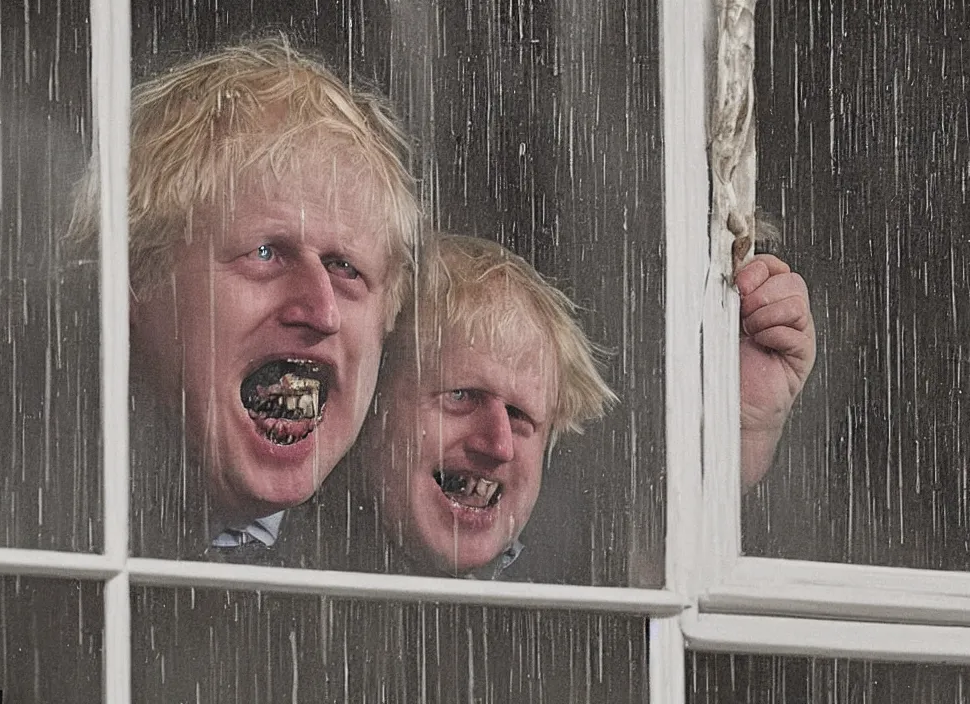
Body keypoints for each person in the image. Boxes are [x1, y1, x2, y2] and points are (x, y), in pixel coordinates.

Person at [67, 36, 419, 559]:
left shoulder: (403, 591)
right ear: (134, 280)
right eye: (265, 253)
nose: (321, 312)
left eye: (345, 268)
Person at [342, 234, 815, 578]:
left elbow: (661, 583)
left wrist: (741, 431)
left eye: (521, 415)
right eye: (462, 397)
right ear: (374, 399)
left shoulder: (574, 588)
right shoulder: (280, 558)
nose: (499, 445)